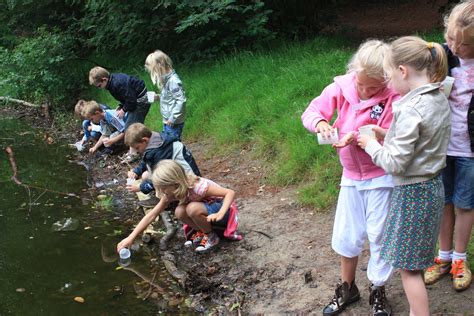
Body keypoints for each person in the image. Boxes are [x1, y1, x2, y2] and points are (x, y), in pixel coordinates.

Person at [301, 40, 398, 316]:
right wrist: (319, 123)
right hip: (351, 176)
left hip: (381, 176)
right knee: (347, 233)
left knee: (380, 233)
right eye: (362, 85)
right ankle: (348, 288)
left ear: (386, 80)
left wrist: (362, 137)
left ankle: (378, 289)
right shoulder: (341, 88)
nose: (366, 91)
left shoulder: (393, 96)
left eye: (374, 88)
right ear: (354, 72)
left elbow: (393, 133)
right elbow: (311, 112)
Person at [357, 36, 450, 316]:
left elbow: (395, 163)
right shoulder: (438, 96)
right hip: (432, 188)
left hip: (413, 195)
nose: (388, 83)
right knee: (415, 263)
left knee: (409, 270)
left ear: (403, 71)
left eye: (388, 75)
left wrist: (370, 144)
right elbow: (424, 141)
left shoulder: (409, 108)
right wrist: (388, 134)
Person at [424, 0, 474, 292]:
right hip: (441, 146)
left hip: (470, 150)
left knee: (465, 204)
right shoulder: (441, 55)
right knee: (443, 202)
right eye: (450, 38)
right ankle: (442, 257)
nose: (454, 46)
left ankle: (459, 259)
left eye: (463, 44)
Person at [117, 159, 235, 253]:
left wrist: (220, 213)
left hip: (223, 211)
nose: (162, 192)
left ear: (175, 183)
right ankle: (204, 232)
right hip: (206, 211)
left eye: (163, 188)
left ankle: (211, 237)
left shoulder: (197, 187)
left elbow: (229, 192)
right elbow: (152, 214)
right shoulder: (170, 193)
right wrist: (131, 237)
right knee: (179, 211)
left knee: (191, 208)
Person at [124, 123, 201, 205]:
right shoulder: (155, 142)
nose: (137, 151)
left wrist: (140, 188)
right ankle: (164, 196)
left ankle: (167, 200)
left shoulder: (161, 150)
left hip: (190, 182)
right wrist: (136, 171)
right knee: (145, 175)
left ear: (145, 140)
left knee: (156, 177)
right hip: (178, 173)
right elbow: (147, 161)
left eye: (137, 148)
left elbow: (160, 175)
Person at [89, 66, 151, 162]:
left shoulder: (117, 83)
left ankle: (134, 153)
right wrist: (121, 106)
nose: (100, 88)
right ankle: (138, 148)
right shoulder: (112, 83)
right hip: (134, 100)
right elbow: (124, 96)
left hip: (140, 100)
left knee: (129, 128)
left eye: (99, 86)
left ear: (104, 79)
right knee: (133, 124)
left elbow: (131, 99)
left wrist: (124, 109)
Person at [145, 50, 186, 140]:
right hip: (168, 120)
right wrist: (158, 97)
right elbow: (170, 97)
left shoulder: (173, 81)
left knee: (171, 144)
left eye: (153, 69)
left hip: (173, 121)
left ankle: (183, 154)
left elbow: (180, 100)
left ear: (159, 66)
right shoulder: (166, 79)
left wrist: (173, 118)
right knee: (168, 142)